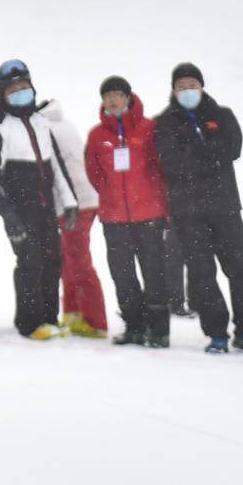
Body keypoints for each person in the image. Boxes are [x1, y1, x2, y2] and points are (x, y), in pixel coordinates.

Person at [154, 63, 243, 354]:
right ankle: (216, 333)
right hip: (188, 213)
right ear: (173, 90)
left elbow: (234, 148)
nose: (187, 90)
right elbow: (172, 162)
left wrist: (196, 154)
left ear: (201, 86)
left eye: (192, 85)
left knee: (241, 271)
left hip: (226, 208)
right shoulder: (165, 122)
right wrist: (208, 155)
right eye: (181, 86)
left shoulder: (222, 115)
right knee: (203, 276)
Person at [0, 59, 80, 340]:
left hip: (45, 206)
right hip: (20, 209)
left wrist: (70, 201)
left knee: (53, 260)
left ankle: (50, 318)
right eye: (13, 89)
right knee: (30, 262)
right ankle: (30, 323)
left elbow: (56, 165)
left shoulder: (40, 121)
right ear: (2, 94)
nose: (20, 92)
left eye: (24, 86)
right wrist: (9, 216)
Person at [84, 77, 170, 347]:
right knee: (122, 274)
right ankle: (134, 326)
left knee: (154, 272)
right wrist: (110, 195)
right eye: (107, 95)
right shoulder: (97, 135)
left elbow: (161, 167)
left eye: (118, 94)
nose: (112, 100)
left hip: (149, 215)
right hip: (114, 218)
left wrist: (158, 201)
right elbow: (93, 172)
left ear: (128, 97)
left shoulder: (149, 128)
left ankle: (158, 330)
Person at [38, 93, 106, 338]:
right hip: (83, 199)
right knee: (70, 259)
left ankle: (96, 321)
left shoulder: (45, 128)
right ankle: (75, 316)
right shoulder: (63, 123)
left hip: (74, 202)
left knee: (78, 260)